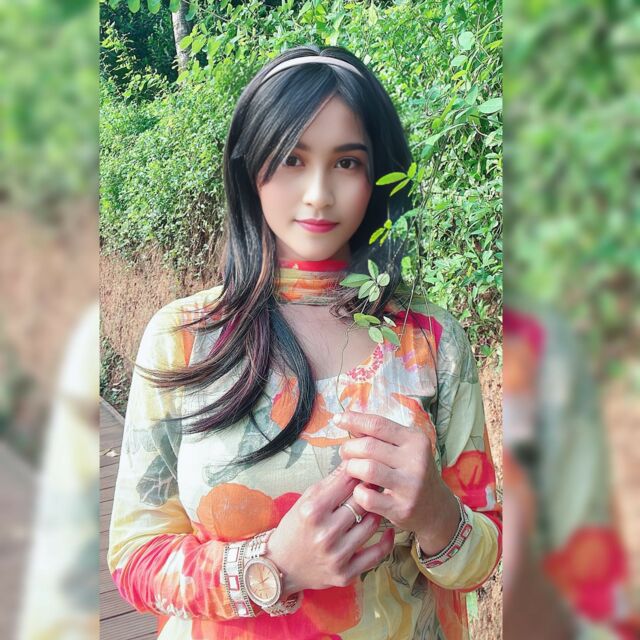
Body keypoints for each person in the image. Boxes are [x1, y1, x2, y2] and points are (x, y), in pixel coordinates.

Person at [107, 45, 502, 639]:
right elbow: (134, 558)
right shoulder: (185, 339)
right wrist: (270, 568)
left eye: (347, 162)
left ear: (379, 175)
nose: (318, 193)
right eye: (292, 158)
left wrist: (436, 514)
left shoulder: (432, 340)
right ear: (251, 168)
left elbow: (483, 559)